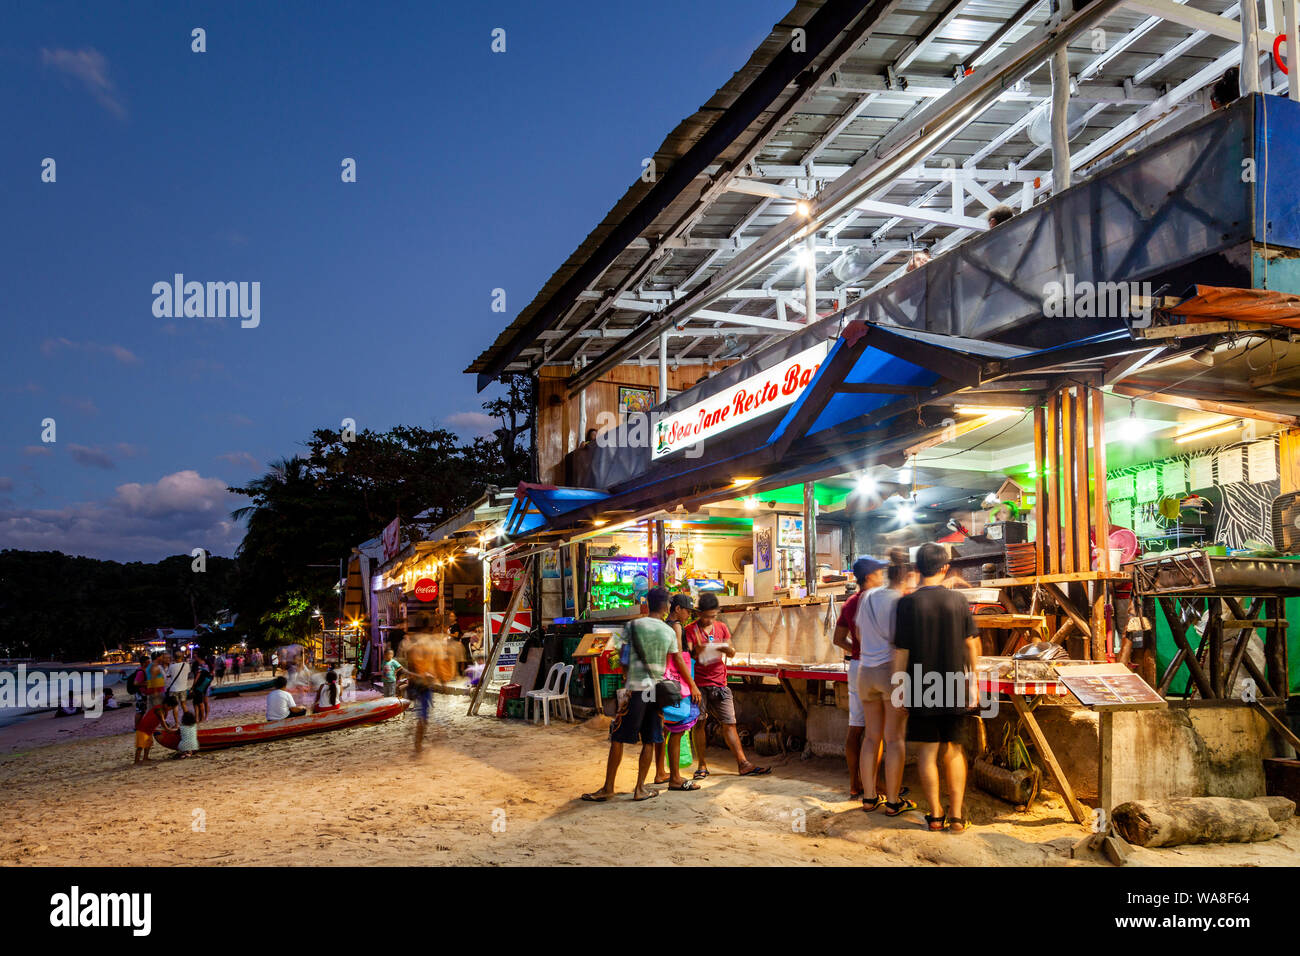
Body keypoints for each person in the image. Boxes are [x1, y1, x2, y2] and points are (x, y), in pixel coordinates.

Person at [893, 543, 981, 833]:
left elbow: (902, 650)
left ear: (917, 570)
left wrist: (899, 688)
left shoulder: (906, 603)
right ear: (945, 568)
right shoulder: (958, 600)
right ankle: (956, 817)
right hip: (954, 683)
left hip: (919, 683)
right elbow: (970, 643)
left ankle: (935, 815)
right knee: (954, 749)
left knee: (928, 752)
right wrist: (974, 683)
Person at [581, 587, 678, 803]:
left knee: (618, 736)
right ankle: (640, 789)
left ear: (647, 604)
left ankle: (608, 787)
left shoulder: (633, 626)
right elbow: (673, 661)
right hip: (655, 691)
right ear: (665, 607)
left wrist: (627, 680)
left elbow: (624, 657)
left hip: (637, 689)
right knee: (651, 739)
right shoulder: (669, 631)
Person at [857, 549, 918, 817]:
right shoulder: (901, 602)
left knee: (871, 737)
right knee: (894, 740)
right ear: (905, 575)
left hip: (865, 672)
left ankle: (869, 798)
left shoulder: (868, 596)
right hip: (889, 672)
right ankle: (893, 801)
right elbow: (901, 644)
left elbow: (859, 632)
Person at [684, 592, 770, 779]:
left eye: (713, 616)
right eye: (706, 616)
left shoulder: (721, 627)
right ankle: (702, 765)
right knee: (699, 724)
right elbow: (688, 654)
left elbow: (731, 652)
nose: (709, 619)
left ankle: (743, 763)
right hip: (699, 684)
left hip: (720, 681)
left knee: (729, 724)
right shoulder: (690, 630)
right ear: (699, 613)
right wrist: (698, 649)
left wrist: (724, 648)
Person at [832, 556, 887, 798]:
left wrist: (857, 648)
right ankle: (873, 785)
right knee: (877, 731)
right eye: (879, 572)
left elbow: (837, 639)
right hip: (877, 668)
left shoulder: (850, 603)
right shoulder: (879, 601)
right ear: (869, 577)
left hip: (856, 667)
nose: (882, 576)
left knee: (856, 728)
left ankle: (855, 783)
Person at [653, 592, 703, 791]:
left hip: (662, 681)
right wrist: (692, 684)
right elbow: (678, 658)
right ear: (677, 609)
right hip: (676, 684)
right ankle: (674, 777)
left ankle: (660, 772)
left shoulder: (662, 625)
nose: (689, 615)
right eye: (687, 610)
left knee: (664, 728)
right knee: (678, 727)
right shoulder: (675, 627)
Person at [134, 694, 178, 764]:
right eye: (171, 708)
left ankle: (145, 758)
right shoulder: (159, 710)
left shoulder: (163, 709)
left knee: (148, 745)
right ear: (167, 705)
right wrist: (170, 730)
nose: (170, 710)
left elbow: (163, 722)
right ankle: (136, 761)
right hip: (143, 729)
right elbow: (163, 723)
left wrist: (168, 729)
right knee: (140, 747)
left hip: (149, 730)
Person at [164, 652, 191, 722]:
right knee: (184, 705)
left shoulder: (171, 666)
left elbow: (167, 675)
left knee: (175, 706)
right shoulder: (187, 665)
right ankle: (188, 721)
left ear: (174, 657)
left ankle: (176, 723)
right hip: (183, 688)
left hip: (174, 689)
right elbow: (188, 673)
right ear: (182, 657)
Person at [189, 657, 213, 723]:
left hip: (199, 688)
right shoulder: (208, 666)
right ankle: (204, 717)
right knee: (203, 702)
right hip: (205, 687)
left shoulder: (200, 668)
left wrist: (192, 687)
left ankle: (200, 718)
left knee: (198, 703)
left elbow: (196, 679)